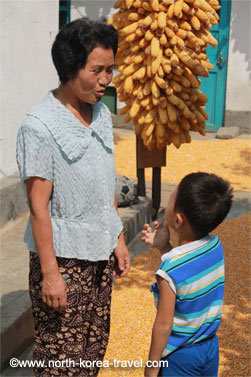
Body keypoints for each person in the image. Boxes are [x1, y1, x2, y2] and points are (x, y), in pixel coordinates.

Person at [16, 17, 130, 377]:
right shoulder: (39, 126)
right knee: (59, 361)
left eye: (111, 70)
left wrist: (119, 239)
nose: (105, 80)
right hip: (63, 263)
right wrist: (50, 274)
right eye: (96, 70)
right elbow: (38, 209)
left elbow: (103, 181)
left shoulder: (101, 115)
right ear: (69, 68)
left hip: (99, 257)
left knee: (92, 353)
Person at [141, 172, 233, 377]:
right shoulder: (215, 246)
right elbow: (189, 276)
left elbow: (164, 325)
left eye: (172, 196)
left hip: (180, 357)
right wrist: (165, 247)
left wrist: (152, 368)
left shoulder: (168, 272)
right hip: (209, 347)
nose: (170, 198)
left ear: (178, 219)